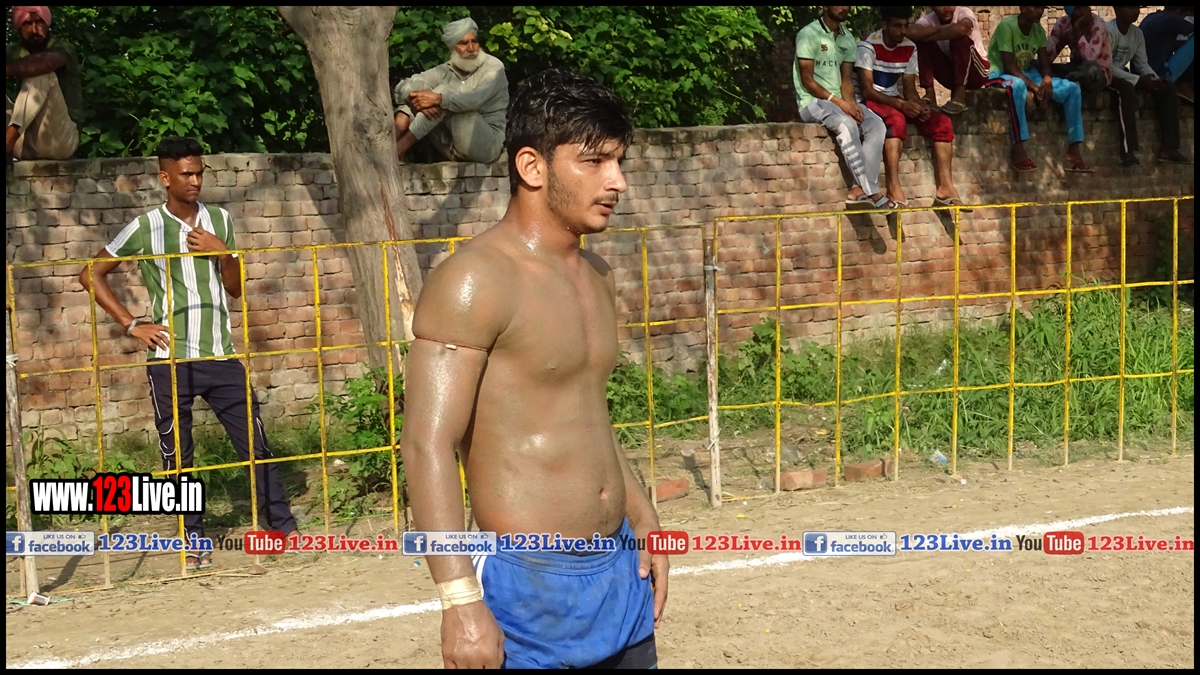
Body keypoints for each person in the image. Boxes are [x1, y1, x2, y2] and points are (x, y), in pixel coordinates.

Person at [399, 70, 666, 669]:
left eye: (618, 161)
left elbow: (587, 414)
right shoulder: (474, 280)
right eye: (594, 162)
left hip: (619, 568)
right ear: (532, 166)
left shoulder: (597, 276)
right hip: (525, 586)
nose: (617, 181)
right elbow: (426, 444)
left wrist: (644, 517)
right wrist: (459, 600)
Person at [78, 137, 298, 571]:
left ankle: (283, 529)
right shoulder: (146, 226)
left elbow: (234, 289)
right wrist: (132, 324)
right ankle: (192, 539)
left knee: (255, 445)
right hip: (169, 360)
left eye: (199, 173)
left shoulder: (220, 220)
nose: (195, 181)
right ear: (165, 177)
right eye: (186, 174)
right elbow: (90, 274)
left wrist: (224, 252)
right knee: (178, 457)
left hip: (221, 355)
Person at [855, 6, 968, 209]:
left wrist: (920, 106)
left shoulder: (909, 46)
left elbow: (909, 90)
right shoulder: (868, 46)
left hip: (893, 99)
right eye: (897, 26)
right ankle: (893, 187)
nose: (903, 31)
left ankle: (946, 188)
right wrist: (901, 105)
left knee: (942, 123)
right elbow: (867, 91)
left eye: (906, 26)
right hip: (868, 100)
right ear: (884, 25)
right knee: (896, 120)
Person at [795, 5, 894, 209]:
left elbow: (846, 80)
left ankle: (858, 189)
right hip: (812, 102)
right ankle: (872, 192)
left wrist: (851, 104)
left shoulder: (847, 38)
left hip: (839, 102)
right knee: (846, 124)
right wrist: (841, 104)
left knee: (876, 125)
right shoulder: (808, 34)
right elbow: (808, 81)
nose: (844, 8)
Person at [987, 6, 1094, 173]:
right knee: (1017, 86)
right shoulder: (1007, 26)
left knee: (1072, 89)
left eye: (1041, 7)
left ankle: (1074, 150)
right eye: (1034, 7)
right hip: (1000, 72)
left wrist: (1047, 79)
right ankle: (1018, 148)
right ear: (1023, 8)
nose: (1039, 11)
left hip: (1028, 72)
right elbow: (1009, 67)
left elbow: (1044, 65)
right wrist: (1035, 88)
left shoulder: (1038, 31)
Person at [393, 17, 508, 164]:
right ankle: (387, 151)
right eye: (464, 43)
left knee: (443, 94)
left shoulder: (494, 67)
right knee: (410, 105)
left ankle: (399, 150)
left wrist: (438, 99)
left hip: (485, 145)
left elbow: (474, 100)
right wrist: (419, 97)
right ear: (453, 47)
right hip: (450, 146)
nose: (471, 48)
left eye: (474, 41)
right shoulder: (446, 70)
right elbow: (403, 87)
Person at [1107, 6, 1190, 166]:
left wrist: (1155, 79)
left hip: (1126, 76)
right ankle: (1128, 151)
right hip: (1108, 75)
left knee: (1167, 88)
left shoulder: (1137, 34)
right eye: (1130, 8)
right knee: (1126, 89)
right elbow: (1108, 67)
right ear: (1118, 10)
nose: (1135, 11)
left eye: (1137, 7)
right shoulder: (1108, 31)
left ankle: (1169, 148)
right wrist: (1138, 80)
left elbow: (1142, 64)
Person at [5, 5, 81, 161]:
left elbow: (46, 63)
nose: (35, 29)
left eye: (40, 22)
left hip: (59, 141)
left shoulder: (64, 48)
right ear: (18, 28)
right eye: (27, 23)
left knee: (40, 73)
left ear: (47, 23)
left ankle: (7, 142)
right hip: (24, 143)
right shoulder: (13, 51)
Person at [907, 6, 991, 115]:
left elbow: (961, 29)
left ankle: (959, 96)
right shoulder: (929, 19)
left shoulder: (964, 12)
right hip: (952, 74)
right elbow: (912, 32)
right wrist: (943, 29)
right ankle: (930, 93)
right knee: (921, 43)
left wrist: (928, 35)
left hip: (977, 72)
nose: (946, 8)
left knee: (959, 39)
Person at [1046, 5, 1113, 93]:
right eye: (1079, 8)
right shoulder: (1063, 24)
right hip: (1076, 66)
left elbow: (1090, 58)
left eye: (1085, 7)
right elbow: (1045, 59)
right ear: (1071, 13)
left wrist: (1078, 32)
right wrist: (1062, 42)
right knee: (1038, 65)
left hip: (1098, 71)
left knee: (1091, 71)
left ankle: (1066, 81)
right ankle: (1068, 81)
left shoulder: (1098, 24)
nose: (1084, 11)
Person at [1140, 6, 1194, 103]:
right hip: (1160, 75)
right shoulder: (1173, 19)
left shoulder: (1151, 17)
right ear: (1179, 11)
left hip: (1143, 73)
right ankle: (1183, 84)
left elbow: (1177, 45)